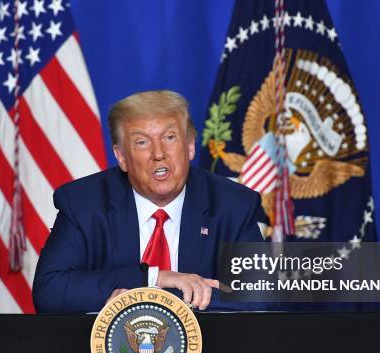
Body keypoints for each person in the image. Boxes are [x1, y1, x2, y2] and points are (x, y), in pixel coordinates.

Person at [33, 90, 265, 313]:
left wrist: (142, 296)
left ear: (191, 146)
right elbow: (49, 291)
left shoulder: (233, 205)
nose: (159, 153)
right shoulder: (84, 204)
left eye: (170, 137)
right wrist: (153, 278)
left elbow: (263, 296)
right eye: (142, 142)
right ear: (122, 157)